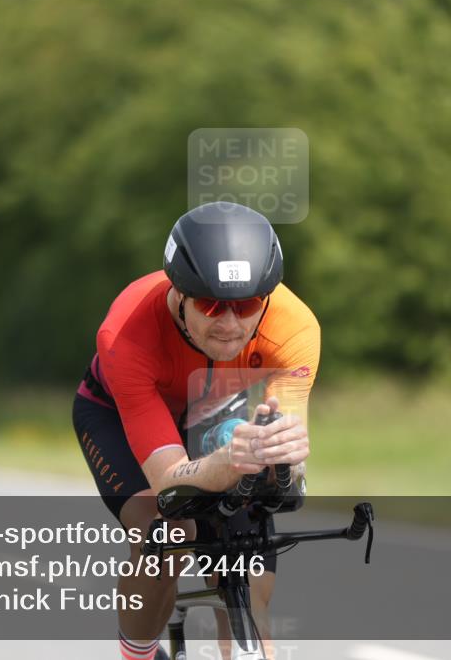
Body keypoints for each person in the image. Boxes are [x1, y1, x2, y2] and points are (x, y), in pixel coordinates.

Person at [73, 202, 320, 660]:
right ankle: (139, 653)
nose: (229, 325)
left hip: (213, 410)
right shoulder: (125, 334)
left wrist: (281, 458)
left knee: (247, 566)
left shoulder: (295, 326)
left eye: (246, 306)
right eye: (211, 305)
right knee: (167, 535)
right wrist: (227, 463)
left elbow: (285, 449)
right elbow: (169, 480)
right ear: (179, 294)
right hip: (116, 415)